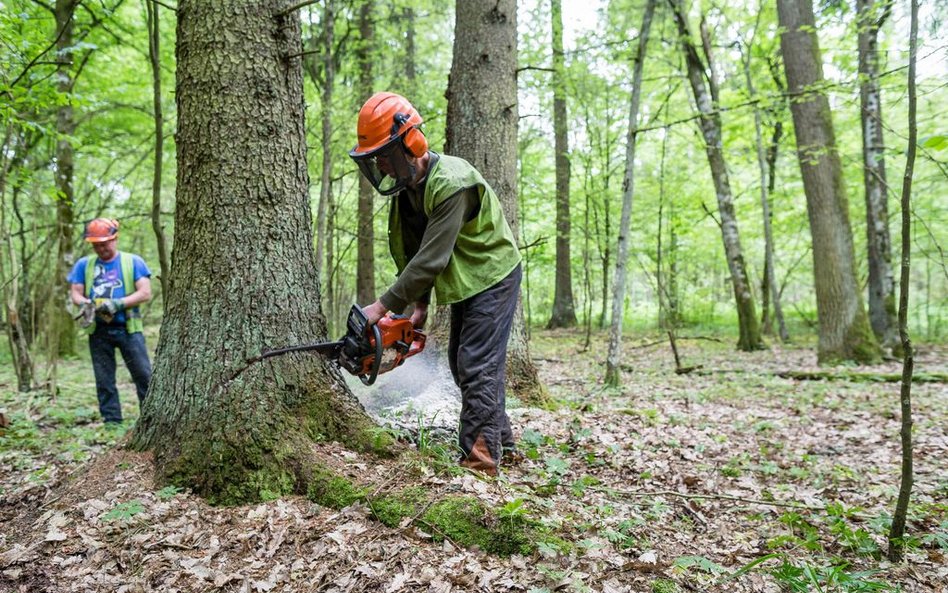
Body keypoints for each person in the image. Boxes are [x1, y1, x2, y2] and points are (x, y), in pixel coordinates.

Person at [349, 92, 523, 476]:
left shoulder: (452, 184)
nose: (380, 165)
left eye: (384, 155)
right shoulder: (407, 192)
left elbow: (432, 259)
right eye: (374, 158)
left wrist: (380, 308)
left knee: (476, 364)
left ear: (410, 144)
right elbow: (415, 252)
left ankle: (481, 463)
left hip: (492, 275)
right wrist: (420, 306)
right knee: (463, 364)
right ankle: (504, 444)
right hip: (467, 278)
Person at [68, 218, 153, 425]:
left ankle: (151, 420)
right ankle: (112, 422)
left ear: (114, 239)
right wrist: (86, 304)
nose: (100, 248)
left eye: (104, 244)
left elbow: (145, 293)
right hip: (99, 330)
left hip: (128, 328)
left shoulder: (133, 262)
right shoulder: (84, 265)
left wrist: (118, 304)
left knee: (143, 375)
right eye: (96, 245)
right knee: (104, 379)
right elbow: (75, 293)